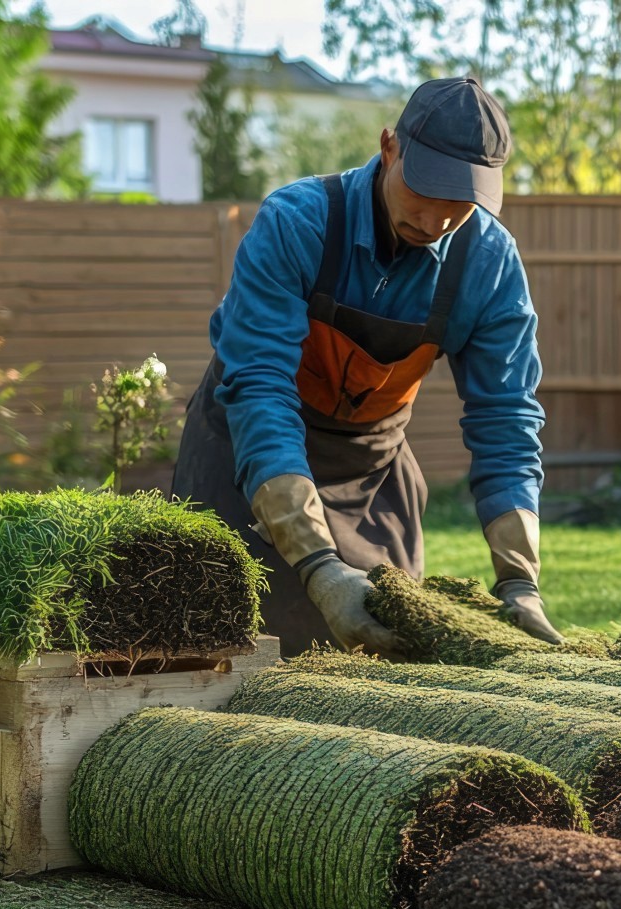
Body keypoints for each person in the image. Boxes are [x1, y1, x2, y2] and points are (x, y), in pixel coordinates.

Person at [173, 76, 562, 654]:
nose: (434, 221)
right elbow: (259, 388)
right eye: (424, 191)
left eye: (459, 204)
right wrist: (321, 567)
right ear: (388, 148)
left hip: (372, 468)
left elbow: (506, 418)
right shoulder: (297, 223)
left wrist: (519, 579)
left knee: (389, 648)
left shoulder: (490, 263)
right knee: (230, 650)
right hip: (248, 448)